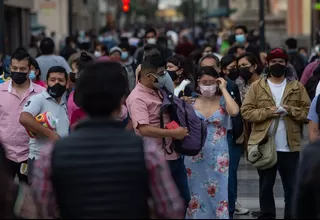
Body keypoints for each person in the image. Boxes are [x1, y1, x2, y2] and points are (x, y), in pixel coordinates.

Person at [31, 61, 184, 219]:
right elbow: (171, 209)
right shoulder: (146, 151)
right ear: (121, 102)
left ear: (80, 101)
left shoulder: (52, 154)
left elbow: (42, 208)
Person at [241, 48, 310, 219]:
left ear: (286, 64)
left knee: (292, 187)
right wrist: (268, 112)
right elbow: (246, 112)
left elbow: (307, 113)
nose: (277, 65)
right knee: (265, 186)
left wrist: (291, 110)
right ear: (267, 64)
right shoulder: (257, 87)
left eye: (281, 62)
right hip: (264, 143)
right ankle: (267, 216)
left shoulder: (296, 87)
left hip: (290, 146)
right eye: (273, 62)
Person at [127, 54, 190, 211]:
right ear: (149, 76)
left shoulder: (159, 90)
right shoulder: (137, 98)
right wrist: (174, 133)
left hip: (173, 154)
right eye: (161, 74)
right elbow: (143, 129)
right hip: (156, 157)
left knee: (183, 199)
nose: (165, 77)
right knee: (162, 204)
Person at [185, 66, 239, 219]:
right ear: (197, 83)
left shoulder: (223, 101)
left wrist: (224, 89)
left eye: (211, 82)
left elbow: (234, 111)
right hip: (194, 153)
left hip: (218, 155)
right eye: (204, 82)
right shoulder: (190, 101)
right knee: (195, 192)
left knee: (219, 191)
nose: (207, 85)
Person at [0, 48, 43, 184]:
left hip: (31, 155)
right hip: (5, 155)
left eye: (22, 69)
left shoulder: (41, 93)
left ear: (30, 70)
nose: (18, 72)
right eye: (15, 68)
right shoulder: (0, 91)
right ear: (9, 68)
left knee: (31, 197)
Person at [19, 66, 70, 180]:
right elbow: (24, 118)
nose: (56, 83)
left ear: (67, 84)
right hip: (39, 160)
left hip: (59, 161)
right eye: (53, 80)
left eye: (61, 80)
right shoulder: (38, 99)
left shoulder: (65, 103)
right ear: (46, 83)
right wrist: (50, 134)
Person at [220, 55, 249, 217]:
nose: (235, 70)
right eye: (232, 67)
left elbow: (238, 111)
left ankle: (231, 207)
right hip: (218, 136)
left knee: (231, 173)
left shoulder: (232, 85)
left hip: (233, 135)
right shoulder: (211, 87)